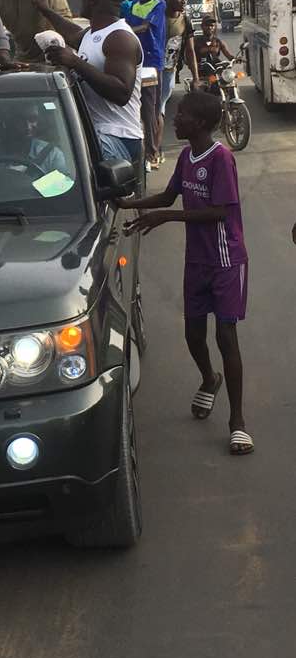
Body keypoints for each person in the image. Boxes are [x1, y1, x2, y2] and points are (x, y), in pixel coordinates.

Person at [119, 91, 253, 456]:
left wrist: (166, 218)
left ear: (201, 123)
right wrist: (124, 203)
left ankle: (237, 422)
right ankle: (210, 379)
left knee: (226, 336)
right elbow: (166, 197)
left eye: (182, 114)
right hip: (197, 261)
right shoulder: (187, 157)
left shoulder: (220, 158)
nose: (175, 119)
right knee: (193, 333)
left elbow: (220, 213)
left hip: (226, 261)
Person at [33, 0, 144, 165]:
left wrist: (75, 62)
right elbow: (73, 34)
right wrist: (46, 10)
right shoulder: (94, 34)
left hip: (118, 138)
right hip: (100, 133)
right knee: (41, 148)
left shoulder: (120, 38)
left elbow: (121, 92)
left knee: (53, 158)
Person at [125, 0, 166, 169]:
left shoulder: (159, 5)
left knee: (150, 107)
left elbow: (145, 27)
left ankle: (152, 153)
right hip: (132, 60)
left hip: (151, 62)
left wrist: (122, 32)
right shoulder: (132, 5)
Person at [0, 103, 68, 176]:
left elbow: (62, 192)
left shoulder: (52, 156)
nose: (28, 126)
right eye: (20, 120)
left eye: (33, 119)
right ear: (8, 122)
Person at [159, 0, 199, 145]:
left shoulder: (185, 21)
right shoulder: (157, 17)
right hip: (151, 70)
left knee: (159, 107)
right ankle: (154, 147)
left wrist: (196, 78)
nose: (183, 1)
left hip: (169, 71)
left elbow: (190, 51)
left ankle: (155, 147)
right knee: (153, 109)